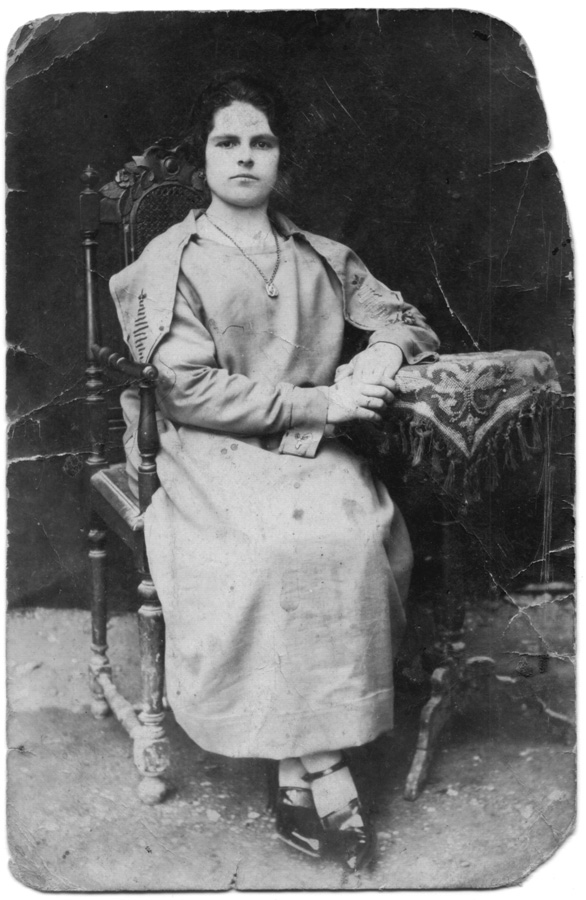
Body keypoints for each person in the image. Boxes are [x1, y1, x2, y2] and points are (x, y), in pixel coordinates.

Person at [110, 70, 440, 872]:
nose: (245, 157)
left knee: (354, 534)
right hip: (208, 447)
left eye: (261, 142)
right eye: (227, 142)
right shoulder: (171, 260)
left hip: (309, 447)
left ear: (281, 157)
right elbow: (186, 390)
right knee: (264, 550)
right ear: (202, 158)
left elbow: (405, 319)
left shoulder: (319, 256)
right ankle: (323, 768)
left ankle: (297, 765)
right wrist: (325, 402)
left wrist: (383, 356)